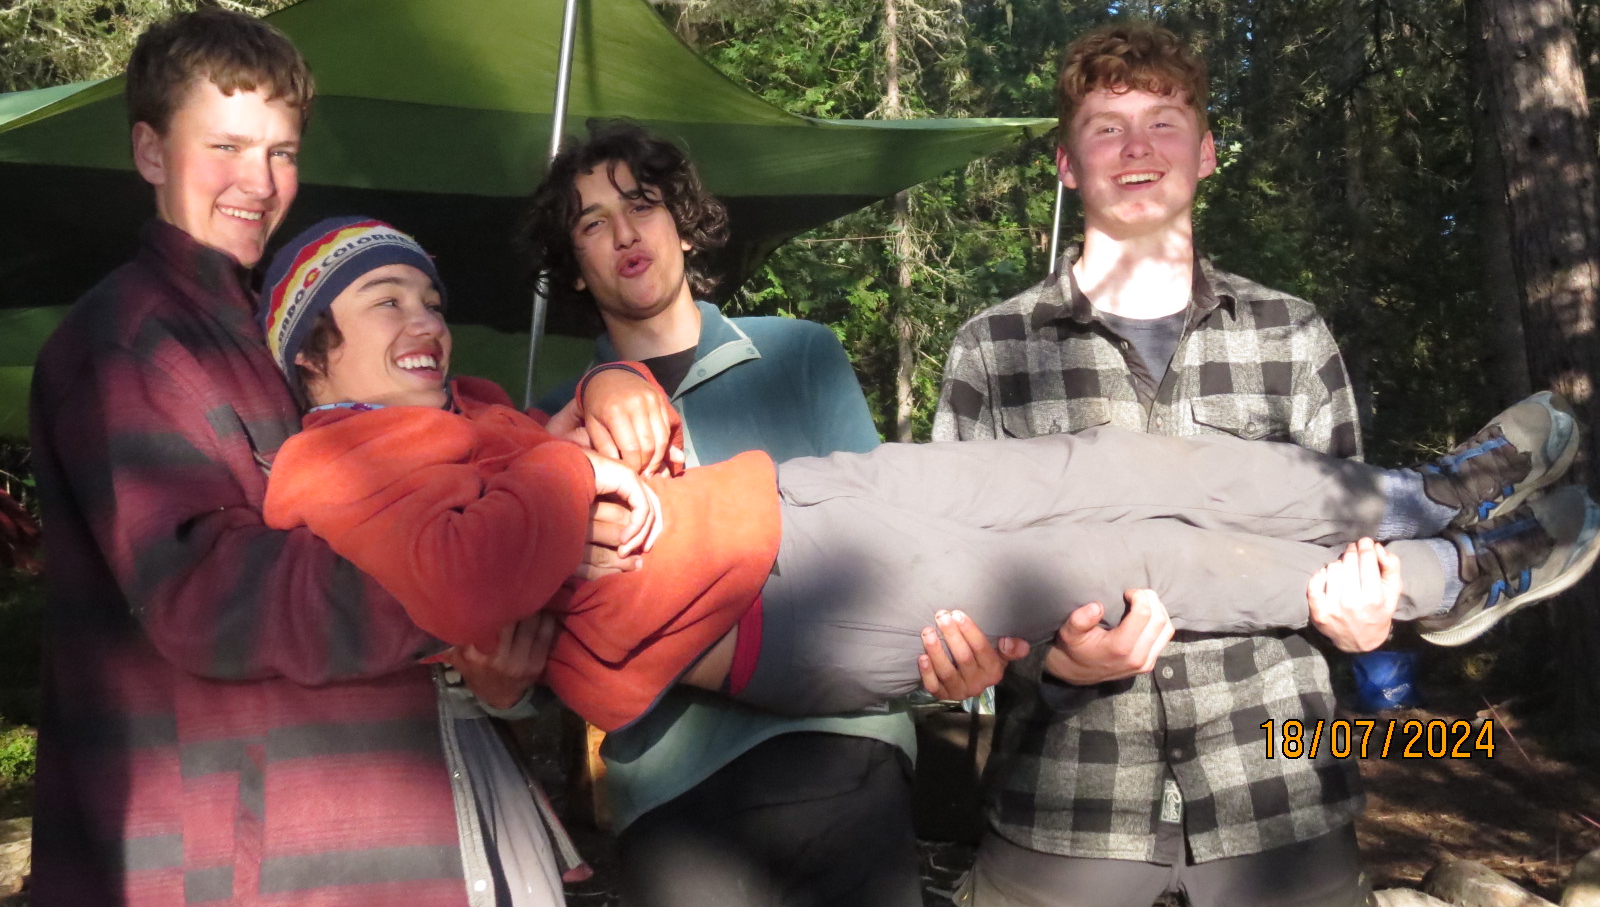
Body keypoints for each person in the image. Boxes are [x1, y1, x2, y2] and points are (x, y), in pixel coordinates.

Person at [256, 217, 1598, 740]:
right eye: (388, 302)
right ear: (315, 348)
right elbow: (482, 570)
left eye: (428, 293)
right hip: (778, 608)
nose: (426, 320)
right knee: (1144, 558)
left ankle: (1427, 493)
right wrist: (567, 459)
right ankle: (1447, 578)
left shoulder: (465, 416)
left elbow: (554, 469)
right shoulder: (325, 471)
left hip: (801, 504)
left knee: (1138, 463)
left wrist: (601, 396)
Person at [23, 9, 643, 907]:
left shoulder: (286, 338)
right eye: (226, 146)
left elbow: (452, 477)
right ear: (150, 152)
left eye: (281, 152)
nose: (259, 181)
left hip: (390, 831)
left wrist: (492, 659)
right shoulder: (127, 345)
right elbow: (209, 592)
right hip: (229, 857)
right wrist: (481, 572)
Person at [931, 22, 1450, 906]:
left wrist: (1369, 622)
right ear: (1067, 163)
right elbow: (953, 570)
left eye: (1164, 122)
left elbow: (1355, 539)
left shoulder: (1292, 334)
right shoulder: (993, 348)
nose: (1137, 147)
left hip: (1282, 803)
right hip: (1066, 805)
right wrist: (1047, 664)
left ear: (1206, 153)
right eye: (1106, 125)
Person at [522, 123, 936, 907]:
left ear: (681, 221)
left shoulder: (803, 355)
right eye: (591, 222)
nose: (624, 233)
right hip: (674, 801)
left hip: (842, 755)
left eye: (641, 204)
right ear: (573, 267)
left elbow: (885, 546)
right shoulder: (547, 431)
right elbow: (542, 653)